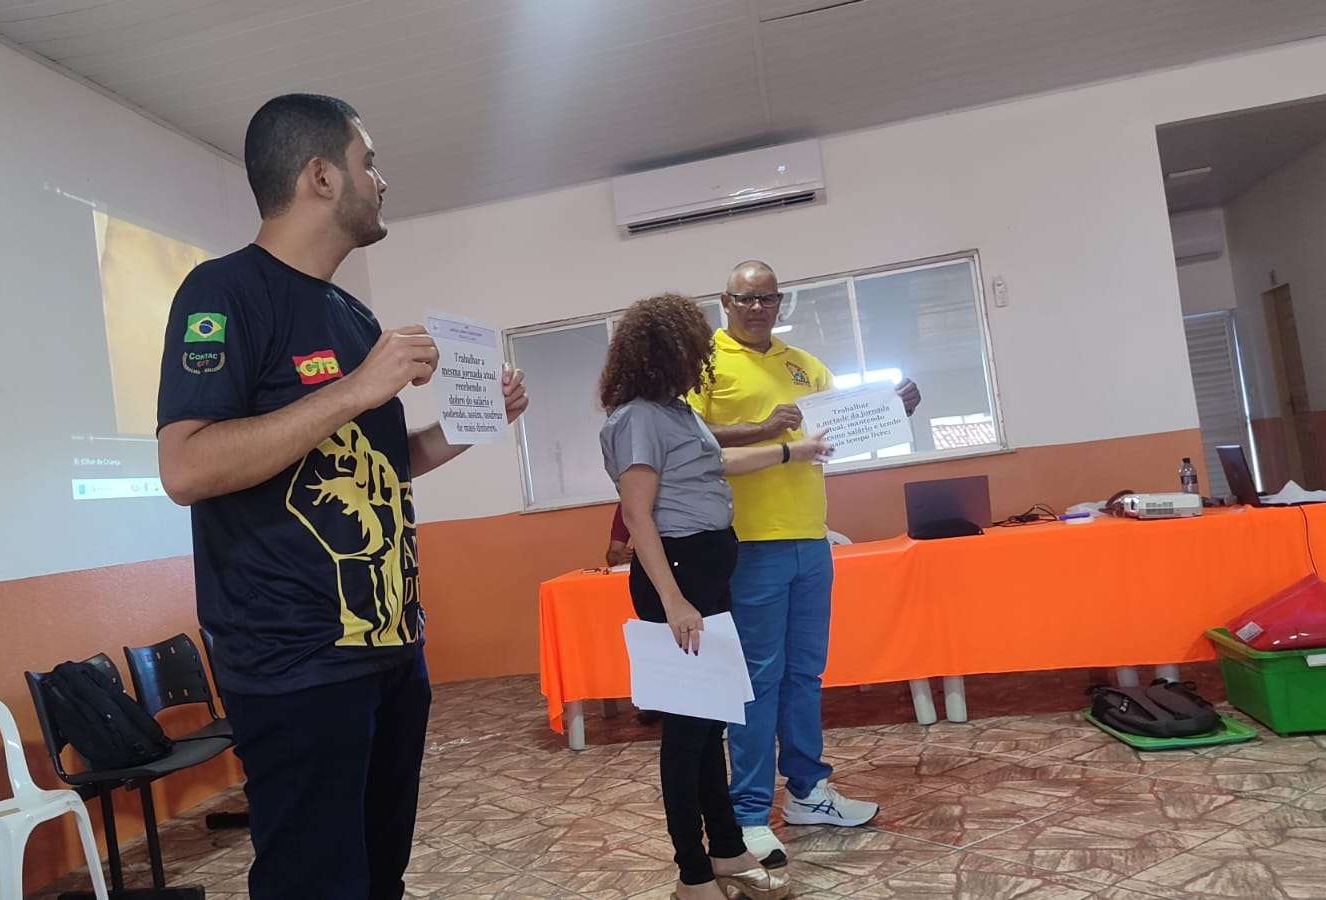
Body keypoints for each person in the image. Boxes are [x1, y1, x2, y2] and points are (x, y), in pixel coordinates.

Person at [155, 94, 529, 900]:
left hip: (390, 647)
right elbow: (184, 467)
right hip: (296, 664)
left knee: (378, 875)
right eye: (370, 163)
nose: (382, 181)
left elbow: (385, 463)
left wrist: (472, 426)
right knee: (314, 882)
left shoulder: (350, 312)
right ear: (321, 177)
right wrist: (358, 388)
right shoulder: (223, 293)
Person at [598, 293, 832, 900]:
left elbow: (720, 463)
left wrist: (793, 450)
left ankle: (725, 849)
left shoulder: (676, 412)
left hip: (704, 573)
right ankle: (692, 872)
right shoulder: (636, 418)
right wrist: (675, 601)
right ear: (664, 353)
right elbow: (638, 515)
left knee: (709, 721)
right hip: (675, 577)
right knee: (686, 731)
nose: (704, 359)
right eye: (695, 350)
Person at [689, 260, 921, 868]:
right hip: (749, 542)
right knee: (758, 680)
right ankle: (747, 814)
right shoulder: (703, 363)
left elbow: (838, 429)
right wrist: (761, 429)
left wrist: (893, 410)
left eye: (767, 298)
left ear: (780, 302)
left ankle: (808, 791)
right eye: (745, 299)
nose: (757, 308)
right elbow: (687, 437)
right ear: (725, 302)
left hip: (811, 540)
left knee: (804, 674)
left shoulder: (805, 366)